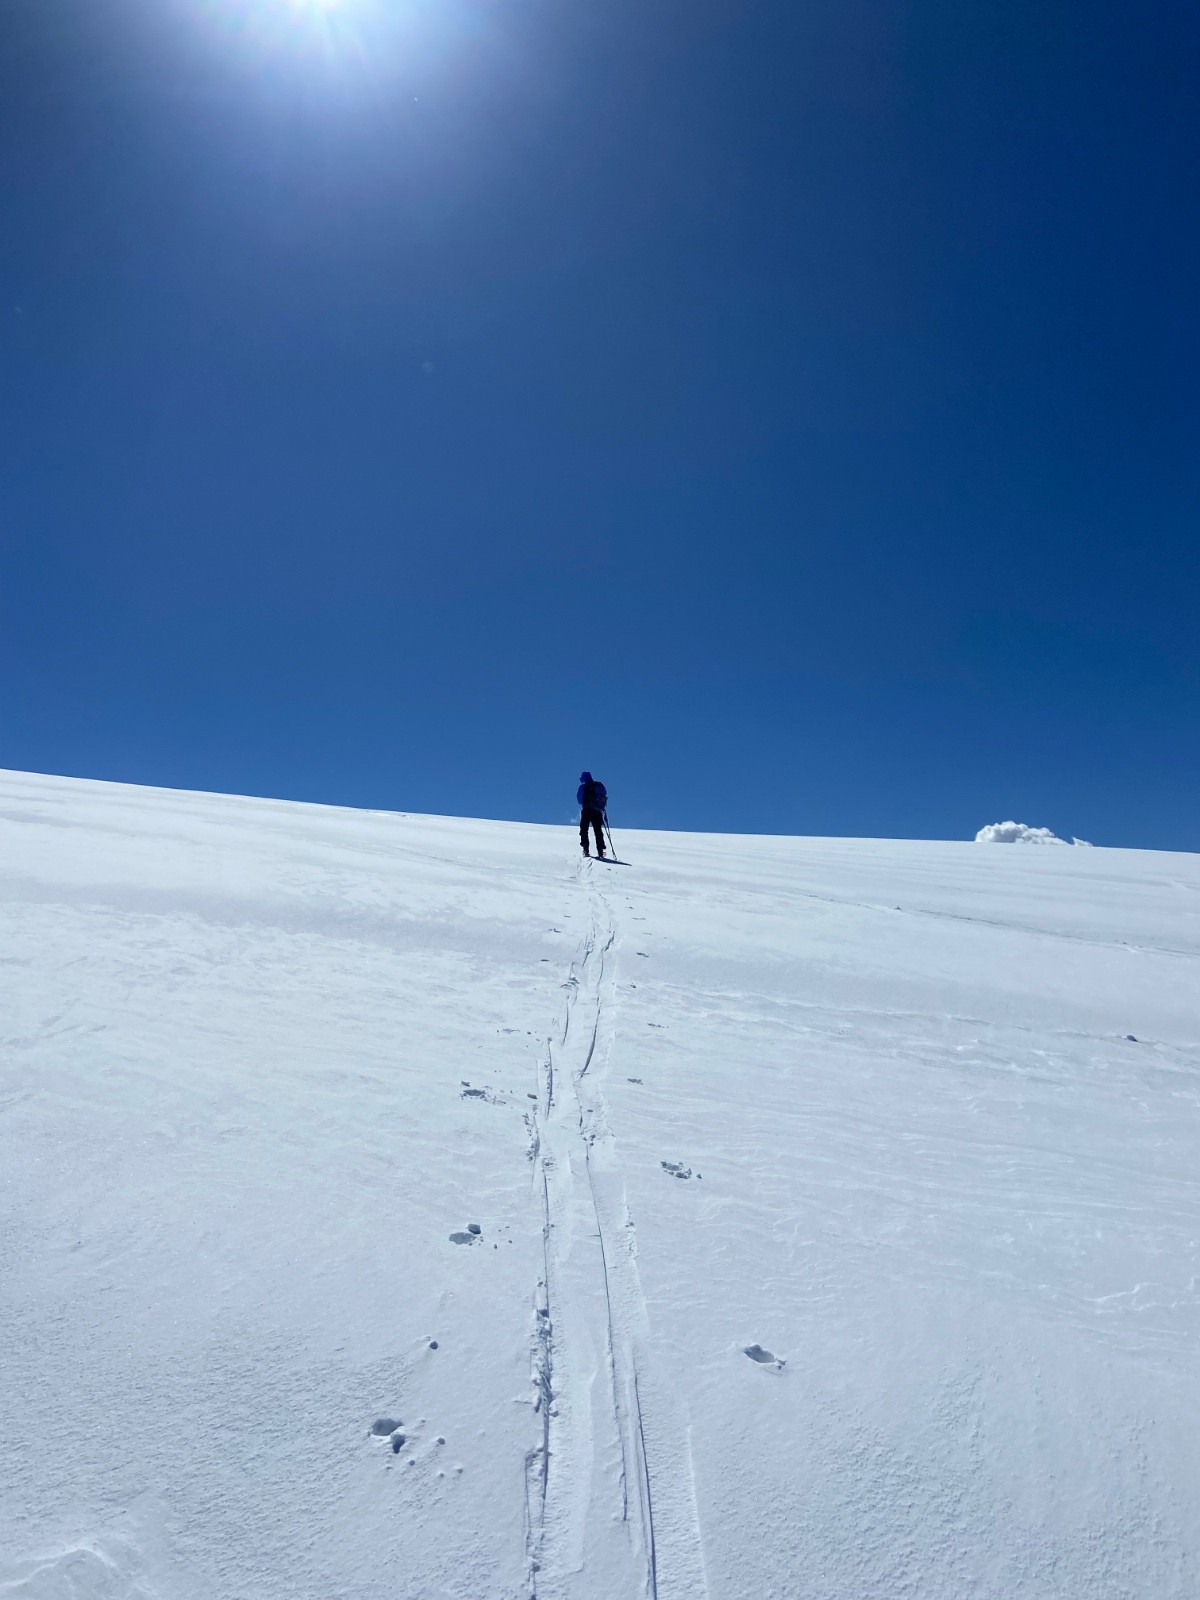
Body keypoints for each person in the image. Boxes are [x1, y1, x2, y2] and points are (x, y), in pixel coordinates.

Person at [577, 771, 607, 858]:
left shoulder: (583, 787)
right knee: (598, 830)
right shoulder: (598, 785)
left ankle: (586, 849)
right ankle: (600, 850)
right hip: (597, 811)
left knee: (584, 829)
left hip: (586, 810)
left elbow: (579, 800)